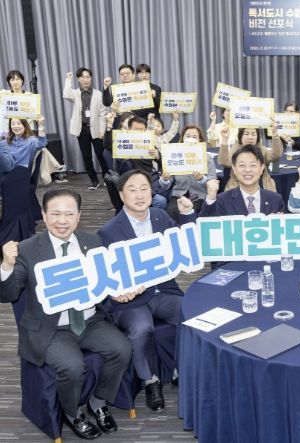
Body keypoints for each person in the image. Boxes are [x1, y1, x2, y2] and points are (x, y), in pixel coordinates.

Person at [0, 189, 132, 439]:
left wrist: (118, 292)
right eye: (56, 214)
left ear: (79, 216)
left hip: (90, 320)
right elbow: (7, 293)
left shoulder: (93, 242)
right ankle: (74, 413)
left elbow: (104, 280)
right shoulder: (27, 249)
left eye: (69, 214)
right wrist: (6, 265)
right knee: (72, 366)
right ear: (44, 215)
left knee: (122, 349)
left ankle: (99, 401)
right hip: (51, 327)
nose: (62, 221)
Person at [98, 170, 190, 412]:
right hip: (131, 300)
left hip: (163, 291)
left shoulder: (161, 216)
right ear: (121, 195)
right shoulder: (108, 232)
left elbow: (184, 244)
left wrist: (187, 215)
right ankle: (150, 381)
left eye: (144, 189)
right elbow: (104, 275)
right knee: (141, 329)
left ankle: (180, 369)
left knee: (190, 313)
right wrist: (117, 293)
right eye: (132, 189)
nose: (139, 195)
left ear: (152, 192)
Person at [201, 144, 285, 216]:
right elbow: (206, 225)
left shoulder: (275, 200)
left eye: (252, 165)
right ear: (234, 169)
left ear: (262, 168)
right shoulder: (222, 200)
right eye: (242, 165)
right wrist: (210, 198)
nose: (247, 170)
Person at [63, 68, 110, 189]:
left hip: (96, 128)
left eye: (88, 77)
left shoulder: (98, 94)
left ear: (91, 78)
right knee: (86, 156)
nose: (85, 80)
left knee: (101, 154)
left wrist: (102, 130)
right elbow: (66, 94)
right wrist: (68, 79)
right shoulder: (75, 93)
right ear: (78, 79)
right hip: (82, 129)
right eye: (83, 77)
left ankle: (107, 178)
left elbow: (103, 113)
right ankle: (94, 180)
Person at [158, 125, 217, 221]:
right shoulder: (174, 156)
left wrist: (202, 179)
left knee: (194, 213)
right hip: (178, 195)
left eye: (194, 137)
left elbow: (213, 182)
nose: (191, 139)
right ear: (183, 138)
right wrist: (164, 179)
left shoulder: (207, 158)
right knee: (172, 212)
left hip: (199, 196)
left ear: (199, 140)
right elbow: (165, 186)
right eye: (188, 136)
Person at [117, 116, 168, 209]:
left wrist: (158, 156)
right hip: (135, 184)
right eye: (136, 129)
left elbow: (165, 163)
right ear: (129, 130)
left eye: (142, 130)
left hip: (152, 180)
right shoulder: (122, 145)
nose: (139, 132)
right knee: (160, 201)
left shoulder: (148, 143)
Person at [217, 125, 283, 192]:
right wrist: (225, 140)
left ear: (257, 137)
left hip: (262, 185)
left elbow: (275, 155)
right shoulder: (235, 150)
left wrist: (275, 134)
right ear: (240, 136)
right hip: (238, 186)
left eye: (253, 134)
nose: (250, 137)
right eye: (246, 134)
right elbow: (224, 162)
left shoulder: (261, 150)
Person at [1, 70, 33, 137]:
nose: (15, 82)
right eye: (12, 80)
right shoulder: (4, 94)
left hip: (25, 130)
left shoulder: (29, 95)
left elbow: (33, 113)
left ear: (22, 80)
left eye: (17, 79)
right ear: (9, 82)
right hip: (8, 132)